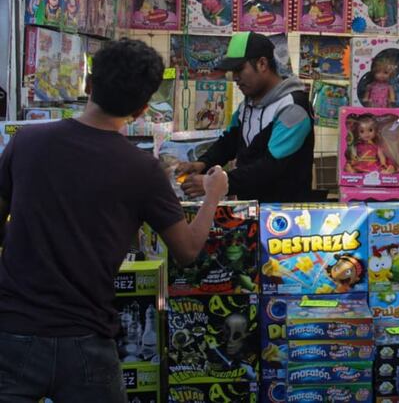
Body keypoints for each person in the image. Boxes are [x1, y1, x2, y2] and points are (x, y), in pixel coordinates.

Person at [0, 39, 228, 402]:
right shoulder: (141, 169)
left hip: (13, 332)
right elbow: (187, 250)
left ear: (89, 84)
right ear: (141, 109)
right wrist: (214, 193)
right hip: (88, 340)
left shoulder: (27, 142)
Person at [176, 31, 316, 203]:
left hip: (285, 217)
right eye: (232, 71)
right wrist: (202, 164)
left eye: (239, 69)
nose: (235, 78)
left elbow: (270, 166)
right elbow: (229, 141)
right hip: (250, 211)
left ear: (262, 64)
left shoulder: (293, 108)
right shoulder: (247, 105)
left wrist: (215, 183)